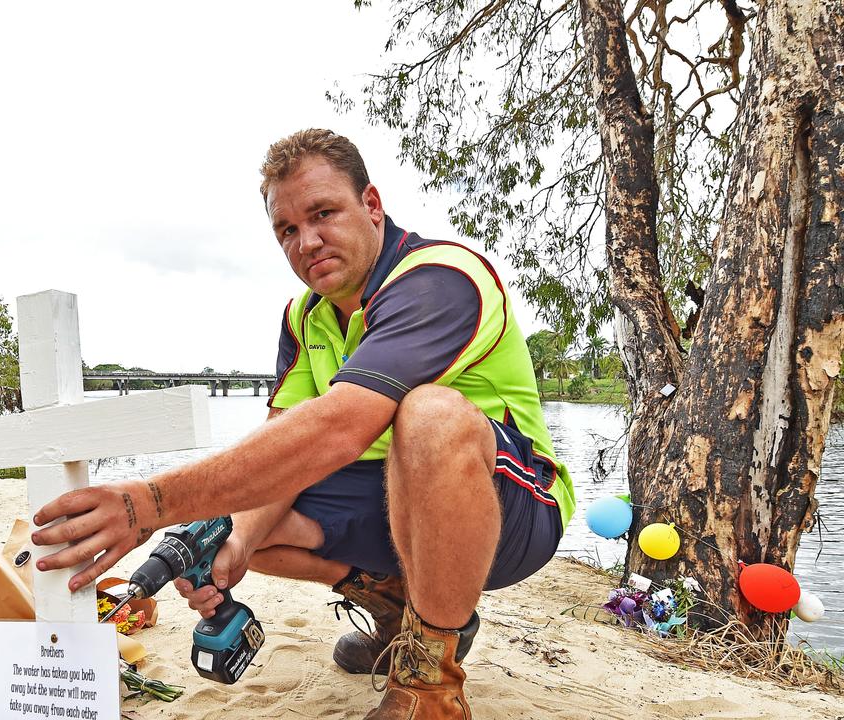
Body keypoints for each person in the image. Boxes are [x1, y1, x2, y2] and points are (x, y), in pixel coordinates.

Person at [32, 129, 576, 720]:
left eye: (324, 214)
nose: (307, 241)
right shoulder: (303, 317)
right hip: (393, 504)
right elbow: (279, 446)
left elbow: (341, 427)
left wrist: (148, 503)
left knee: (430, 416)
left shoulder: (439, 280)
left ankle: (430, 688)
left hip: (514, 510)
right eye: (286, 230)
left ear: (371, 205)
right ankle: (399, 612)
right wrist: (237, 543)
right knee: (232, 516)